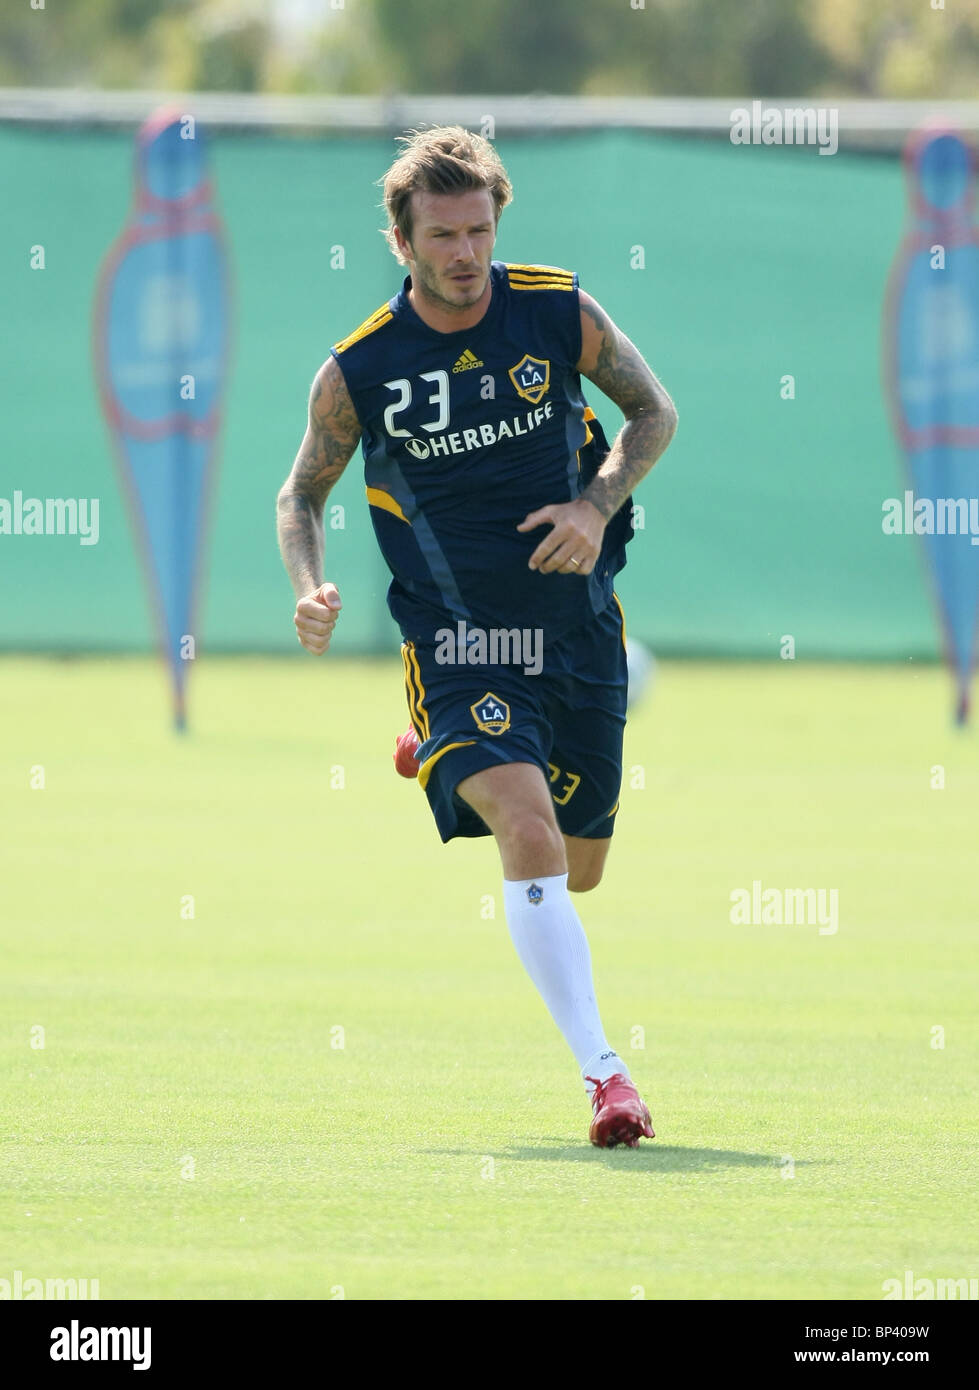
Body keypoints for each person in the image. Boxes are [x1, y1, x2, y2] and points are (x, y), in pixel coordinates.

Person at [276, 126, 678, 1147]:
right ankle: (606, 1078)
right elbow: (301, 494)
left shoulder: (554, 311)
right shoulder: (359, 369)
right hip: (459, 645)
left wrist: (593, 504)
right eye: (443, 235)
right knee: (530, 835)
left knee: (577, 871)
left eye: (481, 231)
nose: (466, 253)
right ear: (400, 239)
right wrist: (310, 585)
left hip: (581, 633)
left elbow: (652, 413)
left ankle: (438, 760)